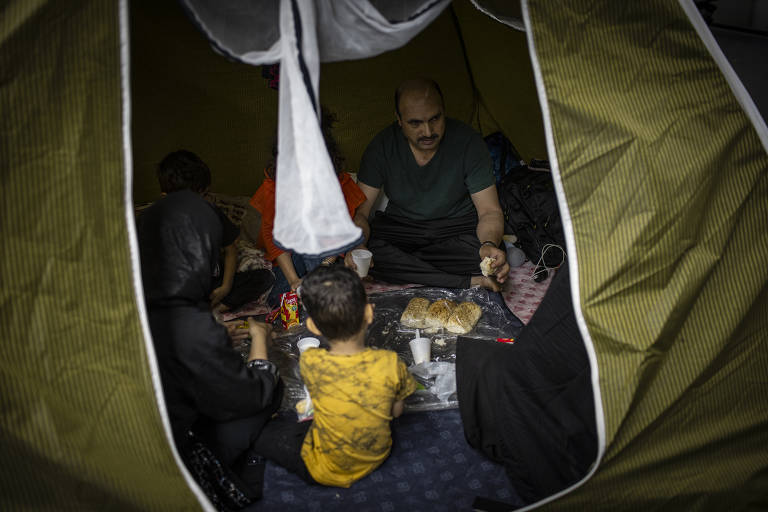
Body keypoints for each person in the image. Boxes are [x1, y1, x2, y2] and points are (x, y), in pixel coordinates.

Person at [136, 189, 283, 500]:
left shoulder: (126, 301)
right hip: (172, 460)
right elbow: (250, 395)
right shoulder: (191, 325)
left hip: (127, 443)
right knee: (271, 386)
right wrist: (259, 340)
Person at [248, 265, 418, 487]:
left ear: (312, 327)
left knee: (259, 433)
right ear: (369, 313)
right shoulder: (391, 363)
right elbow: (396, 411)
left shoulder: (311, 362)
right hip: (377, 455)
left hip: (324, 469)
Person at [353, 77, 510, 291]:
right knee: (367, 253)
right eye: (415, 123)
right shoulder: (381, 146)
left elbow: (489, 211)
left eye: (435, 119)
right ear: (399, 119)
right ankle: (470, 280)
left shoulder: (468, 142)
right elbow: (360, 213)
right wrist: (358, 247)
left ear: (444, 112)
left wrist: (488, 245)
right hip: (403, 227)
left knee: (489, 254)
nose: (427, 132)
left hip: (455, 226)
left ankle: (410, 268)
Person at [250, 108, 368, 308]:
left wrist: (329, 264)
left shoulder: (338, 183)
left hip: (328, 255)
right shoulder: (274, 188)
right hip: (289, 261)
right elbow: (273, 238)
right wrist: (295, 281)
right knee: (281, 299)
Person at [157, 150, 275, 312]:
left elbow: (230, 249)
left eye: (204, 196)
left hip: (214, 284)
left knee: (263, 277)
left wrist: (225, 287)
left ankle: (216, 309)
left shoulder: (211, 213)